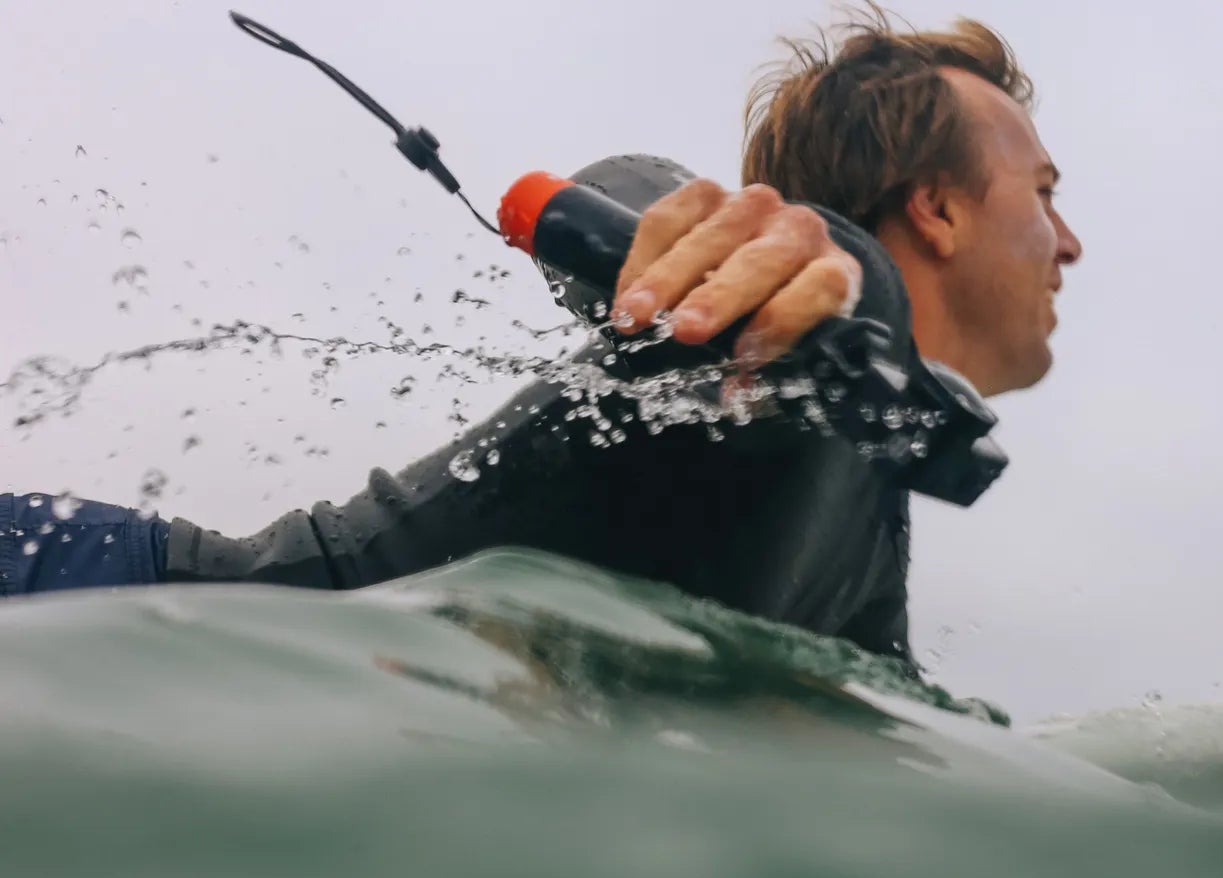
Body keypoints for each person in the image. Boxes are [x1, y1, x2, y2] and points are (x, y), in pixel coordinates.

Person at [0, 6, 1082, 668]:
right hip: (100, 593)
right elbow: (628, 193)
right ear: (936, 209)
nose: (1068, 241)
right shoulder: (823, 319)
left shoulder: (866, 465)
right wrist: (780, 251)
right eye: (1042, 192)